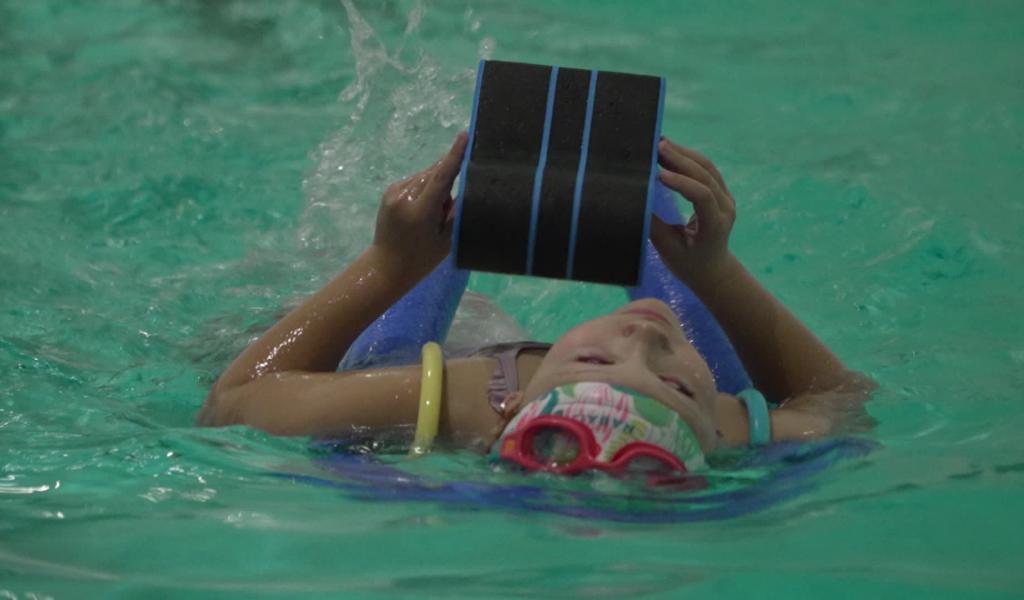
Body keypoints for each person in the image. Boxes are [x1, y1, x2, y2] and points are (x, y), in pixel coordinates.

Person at [197, 131, 874, 472]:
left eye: (595, 360)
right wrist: (718, 272)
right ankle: (652, 231)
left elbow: (229, 408)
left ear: (513, 404)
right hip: (591, 406)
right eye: (674, 382)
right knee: (693, 296)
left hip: (440, 376)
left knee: (333, 316)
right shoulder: (717, 424)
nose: (646, 341)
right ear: (717, 439)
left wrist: (386, 267)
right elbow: (845, 404)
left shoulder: (458, 401)